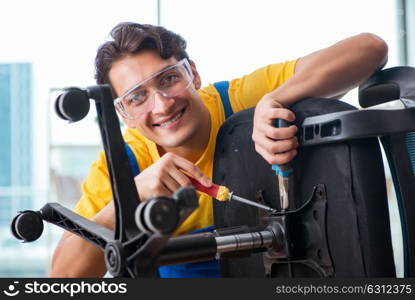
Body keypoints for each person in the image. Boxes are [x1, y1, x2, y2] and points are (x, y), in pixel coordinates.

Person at [50, 22, 388, 277]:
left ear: (192, 73)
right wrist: (129, 198)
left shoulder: (238, 100)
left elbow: (369, 48)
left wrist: (276, 100)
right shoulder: (123, 164)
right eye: (137, 97)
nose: (162, 105)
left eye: (168, 79)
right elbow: (63, 278)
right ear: (122, 114)